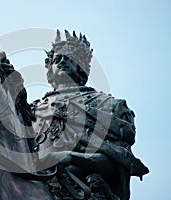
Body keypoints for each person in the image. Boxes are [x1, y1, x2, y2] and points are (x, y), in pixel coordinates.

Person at [31, 30, 149, 199]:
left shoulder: (108, 105)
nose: (63, 61)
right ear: (50, 69)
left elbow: (117, 165)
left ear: (82, 66)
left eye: (69, 57)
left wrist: (71, 157)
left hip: (78, 190)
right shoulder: (31, 110)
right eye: (57, 59)